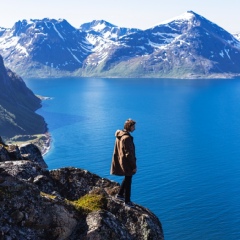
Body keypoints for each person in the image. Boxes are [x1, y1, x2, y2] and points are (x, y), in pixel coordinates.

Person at [110, 119, 137, 208]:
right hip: (127, 162)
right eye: (133, 126)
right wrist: (134, 166)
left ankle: (120, 195)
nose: (134, 128)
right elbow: (129, 154)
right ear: (129, 127)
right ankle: (127, 201)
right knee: (129, 180)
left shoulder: (120, 134)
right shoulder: (127, 138)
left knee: (127, 178)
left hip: (122, 160)